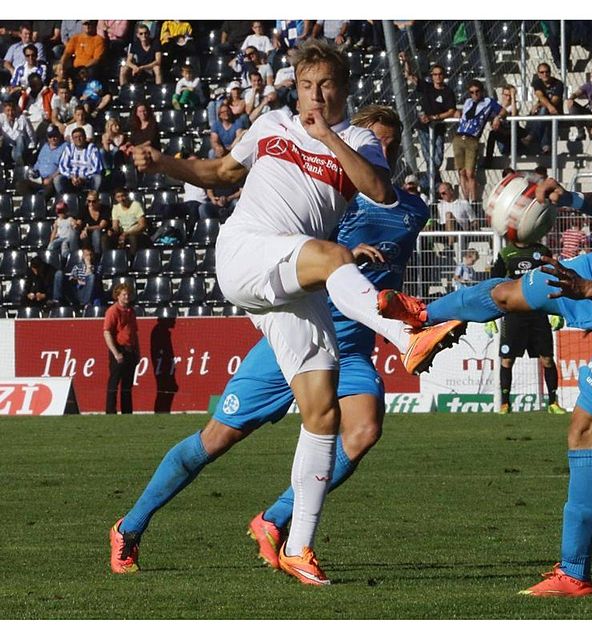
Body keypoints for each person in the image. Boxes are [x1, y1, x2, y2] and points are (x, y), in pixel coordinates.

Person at [127, 40, 463, 586]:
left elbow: (380, 193)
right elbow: (218, 173)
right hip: (246, 254)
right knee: (219, 434)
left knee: (323, 415)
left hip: (296, 288)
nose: (315, 95)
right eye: (307, 85)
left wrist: (327, 136)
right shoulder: (271, 124)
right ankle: (406, 336)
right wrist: (161, 162)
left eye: (326, 85)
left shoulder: (356, 140)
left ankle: (298, 546)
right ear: (296, 86)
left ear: (344, 90)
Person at [381, 75, 592, 596]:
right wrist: (576, 197)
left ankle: (573, 574)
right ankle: (422, 317)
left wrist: (587, 288)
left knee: (585, 432)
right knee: (513, 292)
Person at [488, 240, 565, 415]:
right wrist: (490, 315)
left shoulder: (542, 251)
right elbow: (493, 284)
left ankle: (552, 402)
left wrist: (556, 310)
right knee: (507, 360)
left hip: (538, 313)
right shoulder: (506, 253)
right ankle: (505, 403)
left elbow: (553, 278)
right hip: (513, 314)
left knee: (547, 359)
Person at [402, 58, 456, 188]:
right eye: (435, 74)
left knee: (437, 159)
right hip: (423, 128)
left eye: (440, 74)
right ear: (431, 76)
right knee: (428, 159)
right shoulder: (427, 87)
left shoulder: (448, 92)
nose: (437, 77)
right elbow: (410, 76)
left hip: (438, 127)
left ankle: (426, 182)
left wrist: (434, 117)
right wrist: (407, 62)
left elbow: (451, 111)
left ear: (443, 76)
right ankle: (433, 185)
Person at [452, 80, 505, 203]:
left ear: (481, 91)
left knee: (470, 172)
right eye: (472, 92)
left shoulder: (488, 102)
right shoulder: (467, 102)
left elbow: (502, 110)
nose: (475, 95)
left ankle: (474, 200)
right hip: (460, 136)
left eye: (477, 92)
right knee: (461, 171)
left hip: (472, 138)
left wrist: (498, 117)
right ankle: (465, 199)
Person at [103, 282, 138, 413]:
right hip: (118, 348)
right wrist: (115, 352)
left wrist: (137, 352)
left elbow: (134, 332)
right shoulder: (112, 311)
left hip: (130, 349)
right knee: (114, 382)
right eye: (124, 294)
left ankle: (127, 411)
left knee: (127, 385)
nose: (127, 297)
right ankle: (110, 411)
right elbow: (107, 332)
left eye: (128, 294)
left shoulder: (131, 311)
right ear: (118, 295)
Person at [16, 127, 64, 198]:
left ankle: (39, 203)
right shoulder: (45, 146)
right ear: (47, 137)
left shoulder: (65, 147)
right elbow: (38, 162)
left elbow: (63, 167)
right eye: (50, 136)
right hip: (39, 179)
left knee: (49, 190)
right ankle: (32, 202)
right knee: (20, 185)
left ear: (59, 135)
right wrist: (33, 173)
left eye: (55, 136)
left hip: (52, 181)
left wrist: (51, 178)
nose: (53, 138)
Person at [54, 127, 103, 194]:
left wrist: (83, 177)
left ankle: (92, 198)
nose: (78, 139)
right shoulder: (69, 148)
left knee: (98, 178)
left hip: (87, 179)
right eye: (75, 137)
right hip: (71, 179)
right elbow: (63, 166)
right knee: (57, 179)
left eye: (80, 136)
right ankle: (65, 200)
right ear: (73, 139)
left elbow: (97, 167)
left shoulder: (92, 148)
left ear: (85, 137)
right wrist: (71, 176)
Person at [111, 188, 148, 256]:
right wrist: (112, 231)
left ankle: (132, 259)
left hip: (136, 232)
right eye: (118, 197)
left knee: (132, 237)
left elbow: (142, 225)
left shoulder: (136, 205)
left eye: (123, 196)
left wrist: (127, 233)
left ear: (127, 196)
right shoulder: (115, 208)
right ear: (116, 198)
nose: (121, 199)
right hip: (123, 233)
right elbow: (115, 226)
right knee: (106, 238)